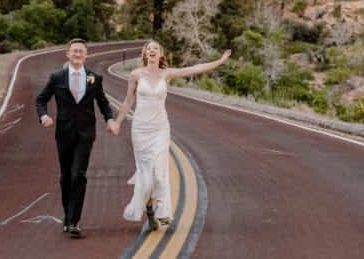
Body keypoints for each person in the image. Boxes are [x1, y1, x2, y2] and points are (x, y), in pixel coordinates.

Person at [113, 40, 231, 230]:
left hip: (160, 129)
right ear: (145, 54)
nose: (152, 51)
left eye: (156, 49)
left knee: (160, 174)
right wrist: (117, 122)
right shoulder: (135, 75)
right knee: (146, 177)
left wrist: (219, 61)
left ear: (160, 54)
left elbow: (195, 68)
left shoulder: (167, 74)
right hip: (140, 130)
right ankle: (149, 208)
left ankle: (163, 212)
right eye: (149, 49)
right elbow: (127, 102)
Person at [35, 38, 119, 238]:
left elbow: (103, 103)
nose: (77, 54)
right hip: (64, 134)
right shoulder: (57, 77)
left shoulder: (95, 78)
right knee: (66, 177)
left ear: (86, 54)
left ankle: (74, 221)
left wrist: (109, 119)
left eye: (81, 51)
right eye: (74, 51)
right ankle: (68, 216)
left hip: (85, 134)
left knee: (78, 175)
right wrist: (44, 115)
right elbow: (41, 99)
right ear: (68, 54)